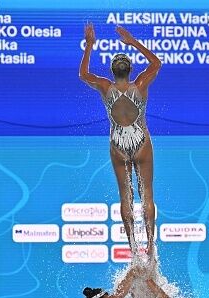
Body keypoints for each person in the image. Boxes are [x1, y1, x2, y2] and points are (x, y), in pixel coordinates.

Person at [79, 23, 161, 262]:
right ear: (131, 70)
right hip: (141, 141)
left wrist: (90, 45)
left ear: (113, 72)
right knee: (147, 195)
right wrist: (133, 42)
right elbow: (156, 64)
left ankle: (134, 250)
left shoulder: (105, 87)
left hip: (118, 145)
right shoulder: (141, 85)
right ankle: (151, 248)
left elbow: (83, 75)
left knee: (125, 196)